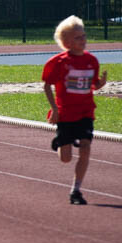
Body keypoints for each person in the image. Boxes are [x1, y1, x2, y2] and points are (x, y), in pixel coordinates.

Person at [42, 15, 108, 205]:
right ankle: (60, 141)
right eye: (78, 37)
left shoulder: (92, 61)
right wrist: (54, 109)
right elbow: (47, 85)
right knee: (65, 158)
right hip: (65, 114)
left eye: (84, 36)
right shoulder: (59, 62)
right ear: (67, 42)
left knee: (86, 148)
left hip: (86, 112)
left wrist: (100, 84)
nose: (83, 40)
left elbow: (91, 85)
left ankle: (76, 190)